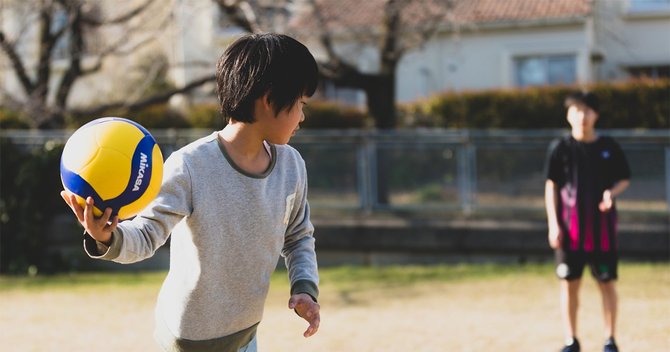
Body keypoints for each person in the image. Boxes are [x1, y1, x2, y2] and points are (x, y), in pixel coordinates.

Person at [61, 33, 321, 352]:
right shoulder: (190, 166)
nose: (303, 117)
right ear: (269, 100)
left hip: (245, 336)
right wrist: (106, 238)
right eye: (300, 104)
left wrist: (305, 288)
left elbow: (297, 237)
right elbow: (146, 234)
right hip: (186, 342)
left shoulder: (291, 166)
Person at [544, 91, 631, 352]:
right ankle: (571, 340)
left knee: (607, 283)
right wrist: (553, 223)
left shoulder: (609, 147)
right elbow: (552, 186)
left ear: (596, 114)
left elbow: (624, 178)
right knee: (569, 286)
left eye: (587, 111)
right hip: (570, 232)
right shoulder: (560, 148)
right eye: (577, 111)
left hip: (602, 231)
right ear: (569, 116)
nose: (583, 116)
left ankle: (610, 340)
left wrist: (611, 193)